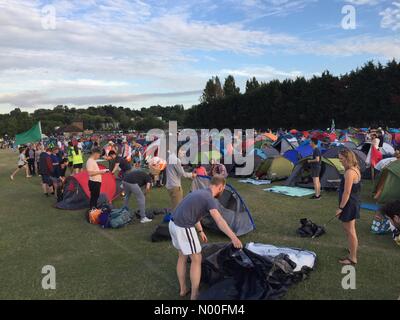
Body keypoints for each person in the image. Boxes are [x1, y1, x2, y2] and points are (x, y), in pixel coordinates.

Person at [169, 176, 243, 300]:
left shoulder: (200, 192)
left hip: (173, 224)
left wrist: (200, 231)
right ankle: (194, 295)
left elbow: (194, 213)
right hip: (183, 227)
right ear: (220, 187)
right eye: (223, 189)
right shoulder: (209, 198)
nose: (222, 191)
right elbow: (219, 220)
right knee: (196, 258)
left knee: (182, 255)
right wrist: (234, 238)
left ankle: (183, 290)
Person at [336, 149, 361, 266]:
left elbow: (347, 192)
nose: (340, 161)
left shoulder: (350, 172)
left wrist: (340, 208)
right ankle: (352, 249)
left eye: (342, 159)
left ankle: (352, 258)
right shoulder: (354, 169)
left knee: (350, 231)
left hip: (348, 205)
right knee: (349, 230)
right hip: (352, 203)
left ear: (348, 158)